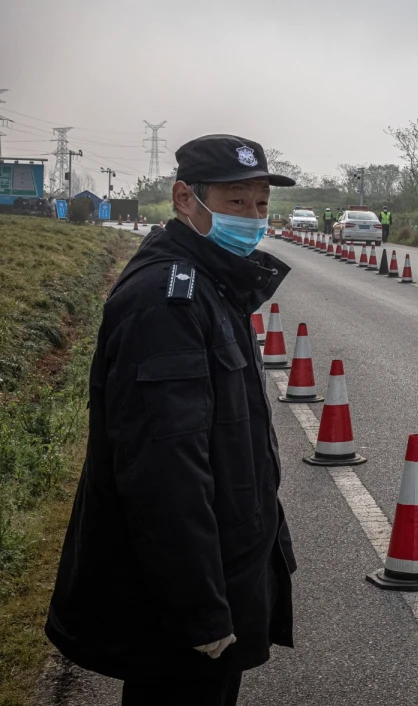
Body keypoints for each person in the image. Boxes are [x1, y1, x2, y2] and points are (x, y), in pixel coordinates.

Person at [46, 134, 297, 706]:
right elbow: (165, 473)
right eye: (236, 202)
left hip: (220, 572)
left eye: (261, 204)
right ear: (186, 199)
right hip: (185, 602)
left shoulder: (213, 283)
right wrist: (200, 611)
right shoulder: (167, 302)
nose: (253, 217)